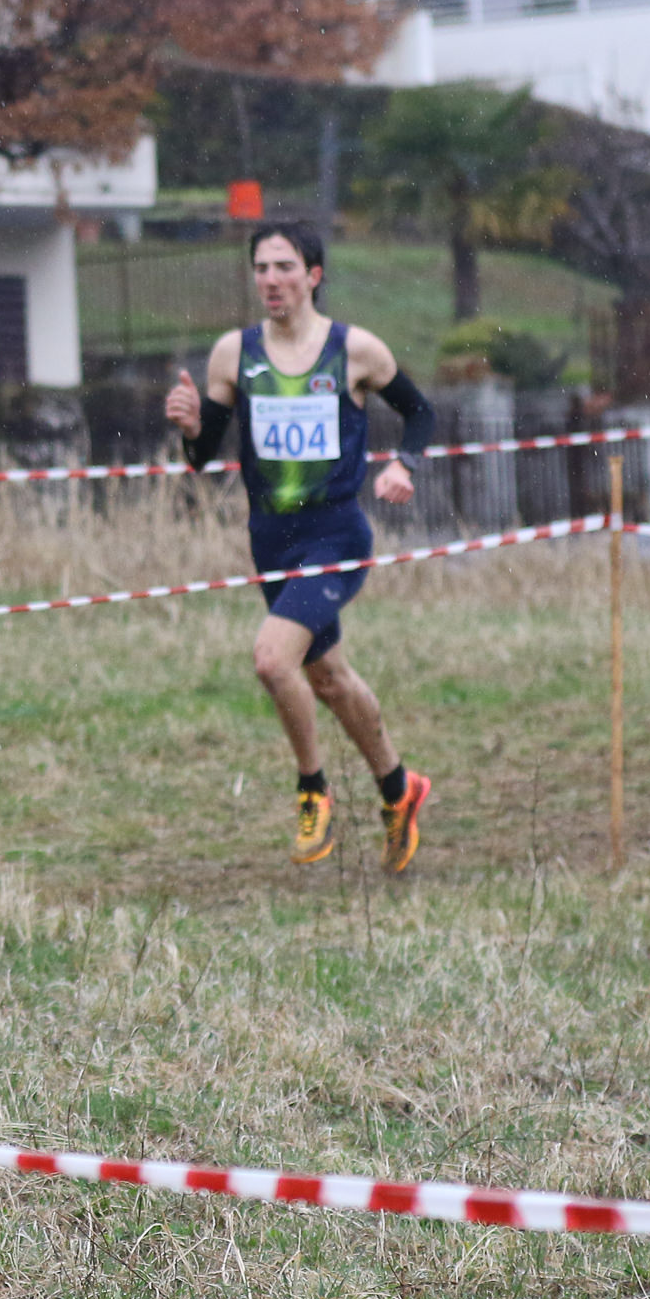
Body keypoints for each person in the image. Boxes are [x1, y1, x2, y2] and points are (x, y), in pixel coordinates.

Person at [166, 222, 437, 871]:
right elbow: (201, 459)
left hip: (336, 535)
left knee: (271, 660)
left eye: (284, 266)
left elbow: (420, 412)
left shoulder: (355, 349)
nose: (271, 280)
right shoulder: (234, 354)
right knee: (329, 678)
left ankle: (313, 789)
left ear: (313, 275)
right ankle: (400, 789)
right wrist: (192, 427)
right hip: (272, 541)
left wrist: (404, 464)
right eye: (261, 268)